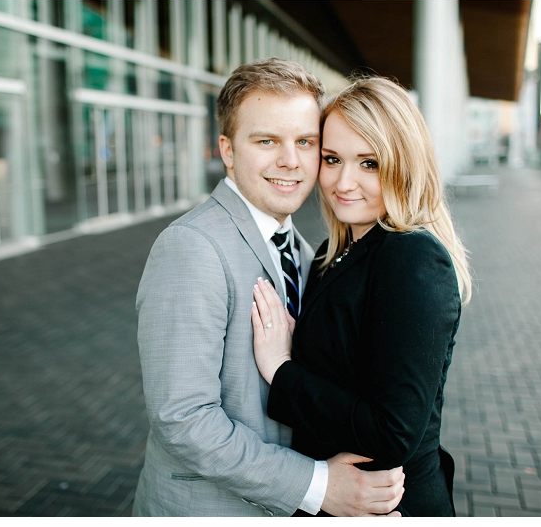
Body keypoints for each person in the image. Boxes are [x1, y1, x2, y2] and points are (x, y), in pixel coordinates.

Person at [132, 60, 404, 517]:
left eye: (305, 142)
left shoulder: (306, 253)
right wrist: (318, 485)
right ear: (228, 150)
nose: (290, 161)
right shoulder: (191, 248)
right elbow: (182, 419)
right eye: (266, 141)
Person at [251, 76, 472, 517]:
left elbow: (393, 432)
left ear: (402, 164)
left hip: (388, 506)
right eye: (332, 159)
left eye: (368, 163)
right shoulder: (332, 253)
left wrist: (282, 369)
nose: (343, 182)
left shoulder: (412, 258)